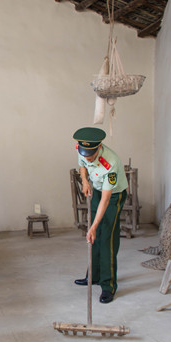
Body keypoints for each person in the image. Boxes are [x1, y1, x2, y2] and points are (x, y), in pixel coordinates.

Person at [73, 127, 128, 304]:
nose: (88, 157)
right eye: (85, 154)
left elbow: (106, 200)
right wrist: (85, 181)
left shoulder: (110, 163)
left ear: (99, 147)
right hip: (97, 190)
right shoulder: (83, 150)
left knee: (106, 238)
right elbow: (82, 165)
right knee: (94, 237)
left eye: (91, 155)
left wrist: (94, 226)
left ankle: (108, 286)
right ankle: (93, 276)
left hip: (113, 196)